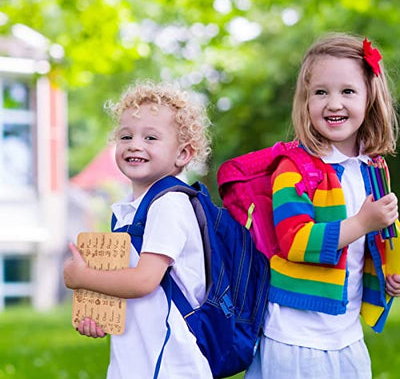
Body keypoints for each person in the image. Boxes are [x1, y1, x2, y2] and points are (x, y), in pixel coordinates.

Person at [245, 33, 400, 379]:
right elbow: (295, 241)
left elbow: (381, 233)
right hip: (296, 339)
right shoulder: (295, 168)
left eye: (347, 91)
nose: (333, 103)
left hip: (346, 335)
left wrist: (390, 272)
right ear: (305, 101)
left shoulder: (373, 168)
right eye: (320, 92)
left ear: (370, 97)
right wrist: (362, 223)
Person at [63, 81, 213, 379]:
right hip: (135, 359)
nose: (134, 144)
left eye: (151, 137)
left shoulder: (169, 203)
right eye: (126, 135)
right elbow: (129, 291)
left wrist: (82, 278)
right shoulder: (130, 211)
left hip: (170, 364)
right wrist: (97, 313)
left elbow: (145, 280)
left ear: (182, 154)